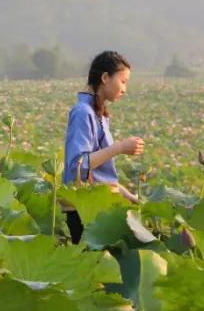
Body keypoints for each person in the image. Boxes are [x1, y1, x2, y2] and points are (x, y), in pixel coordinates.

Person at [62, 50, 144, 244]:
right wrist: (120, 147)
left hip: (98, 203)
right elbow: (78, 165)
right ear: (105, 78)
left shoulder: (99, 115)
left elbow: (102, 176)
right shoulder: (83, 113)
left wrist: (131, 197)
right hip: (83, 208)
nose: (125, 89)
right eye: (123, 81)